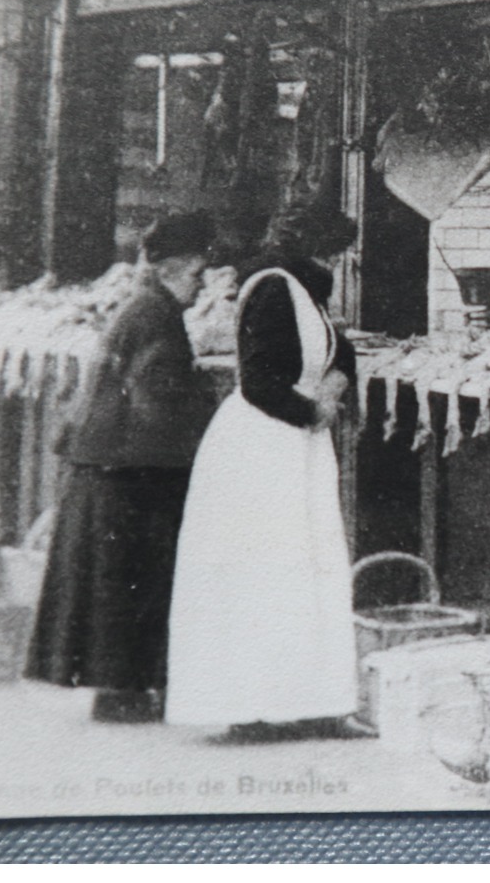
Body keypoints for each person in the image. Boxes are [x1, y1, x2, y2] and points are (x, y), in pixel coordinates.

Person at [164, 204, 371, 741]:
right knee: (263, 572)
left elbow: (338, 350)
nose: (339, 261)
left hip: (295, 447)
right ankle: (252, 706)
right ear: (312, 247)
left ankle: (313, 702)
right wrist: (313, 410)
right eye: (333, 251)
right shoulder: (273, 288)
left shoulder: (305, 291)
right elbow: (259, 384)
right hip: (261, 446)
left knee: (307, 570)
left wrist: (335, 384)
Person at [26, 210, 217, 724]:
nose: (201, 287)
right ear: (174, 268)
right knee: (132, 580)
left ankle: (119, 690)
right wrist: (203, 428)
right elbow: (156, 396)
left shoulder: (142, 306)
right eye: (198, 274)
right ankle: (123, 692)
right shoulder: (156, 314)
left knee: (113, 582)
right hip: (133, 471)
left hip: (110, 464)